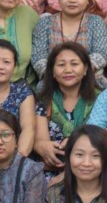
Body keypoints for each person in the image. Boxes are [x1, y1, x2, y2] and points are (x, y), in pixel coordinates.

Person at [34, 42, 101, 173]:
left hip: (89, 169)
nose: (68, 70)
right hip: (52, 170)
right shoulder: (43, 101)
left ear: (86, 69)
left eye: (74, 64)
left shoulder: (100, 100)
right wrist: (42, 146)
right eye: (61, 65)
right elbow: (41, 140)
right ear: (52, 72)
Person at [30, 0, 107, 78]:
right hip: (52, 79)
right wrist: (56, 75)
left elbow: (101, 53)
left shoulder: (96, 22)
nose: (72, 0)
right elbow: (38, 56)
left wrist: (79, 73)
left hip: (89, 78)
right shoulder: (45, 23)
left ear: (87, 0)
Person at [0, 41, 35, 136]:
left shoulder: (22, 91)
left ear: (14, 66)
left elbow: (28, 129)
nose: (0, 66)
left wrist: (19, 148)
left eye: (6, 62)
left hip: (17, 145)